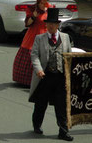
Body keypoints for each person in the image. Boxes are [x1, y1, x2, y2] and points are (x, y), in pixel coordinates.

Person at [29, 8, 73, 141]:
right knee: (41, 104)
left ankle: (63, 131)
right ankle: (37, 125)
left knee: (61, 105)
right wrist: (38, 69)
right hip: (45, 76)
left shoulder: (65, 38)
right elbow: (34, 55)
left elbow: (69, 56)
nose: (51, 26)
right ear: (46, 25)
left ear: (58, 25)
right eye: (49, 24)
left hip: (60, 77)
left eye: (54, 24)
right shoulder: (39, 38)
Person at [13, 0, 54, 86]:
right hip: (33, 36)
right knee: (32, 56)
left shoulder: (50, 8)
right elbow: (27, 23)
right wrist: (34, 16)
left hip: (45, 35)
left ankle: (43, 78)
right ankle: (26, 81)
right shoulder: (32, 8)